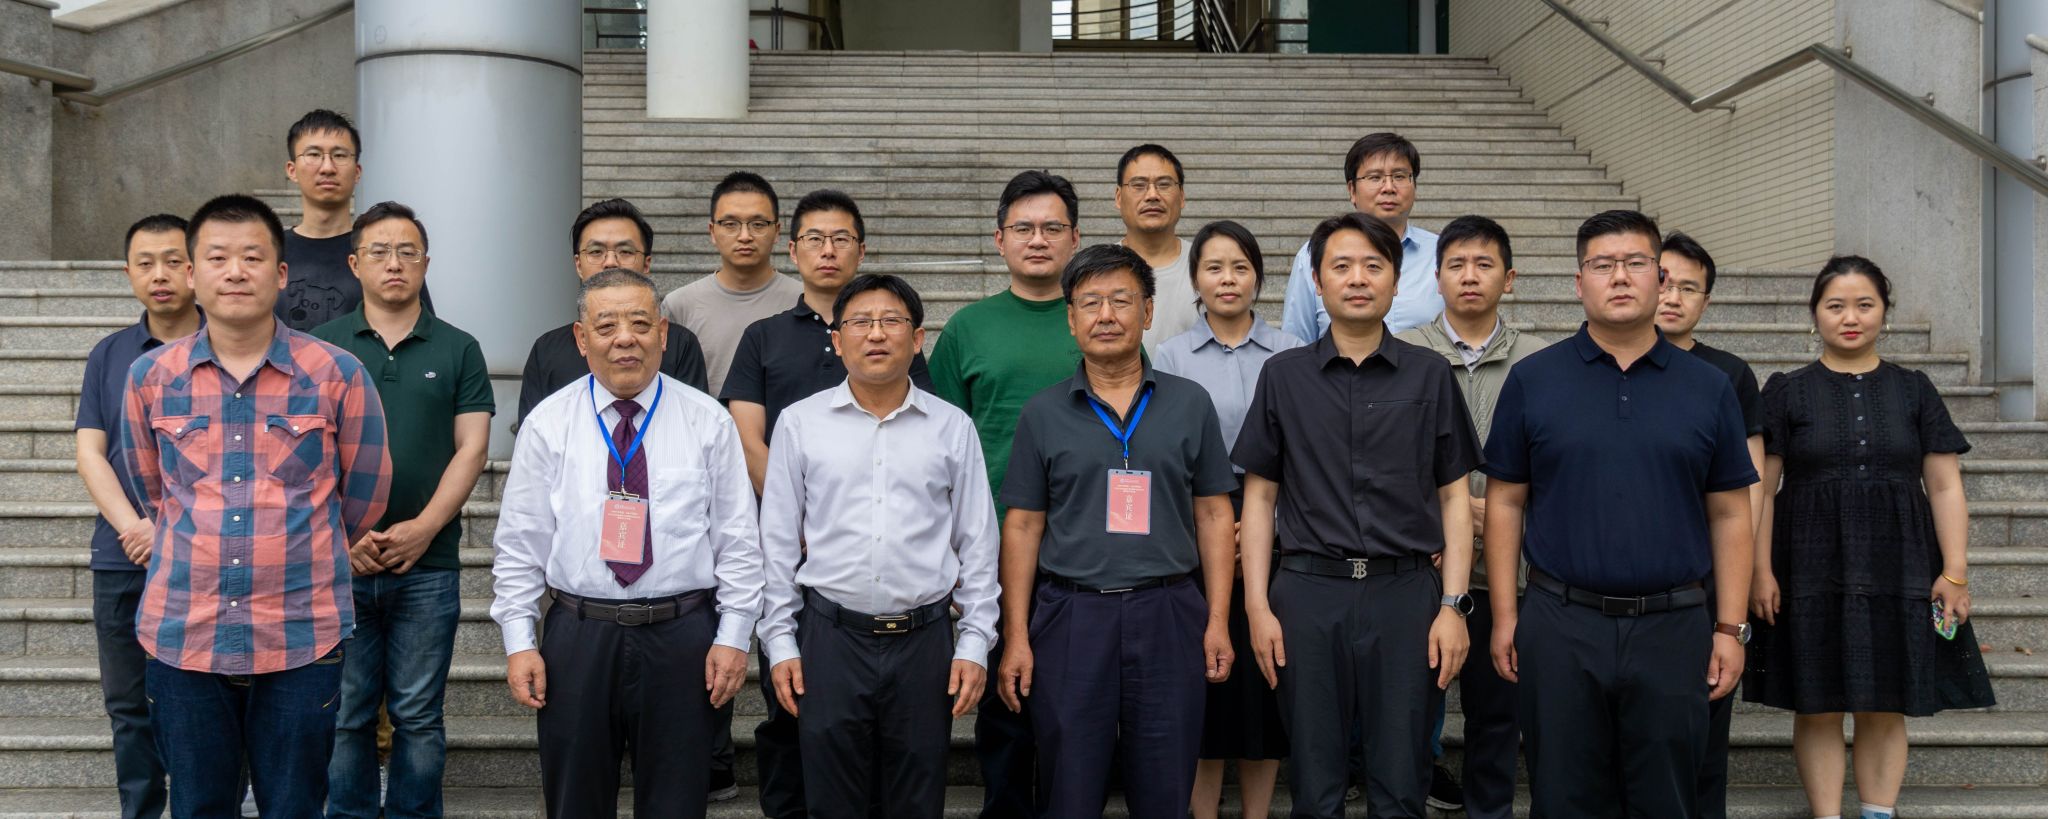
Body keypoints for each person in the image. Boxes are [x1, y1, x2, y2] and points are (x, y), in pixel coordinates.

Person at [121, 194, 392, 817]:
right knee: (198, 806)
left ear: (282, 273)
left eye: (252, 256)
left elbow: (366, 492)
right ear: (193, 275)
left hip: (300, 630)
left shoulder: (338, 373)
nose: (236, 272)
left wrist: (303, 546)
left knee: (295, 806)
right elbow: (154, 491)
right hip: (184, 632)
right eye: (217, 258)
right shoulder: (151, 378)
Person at [1481, 210, 1756, 818]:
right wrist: (1506, 616)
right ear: (1579, 283)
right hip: (1560, 623)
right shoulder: (1533, 379)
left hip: (1673, 627)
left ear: (1661, 278)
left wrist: (1730, 628)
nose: (1621, 277)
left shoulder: (1709, 387)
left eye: (1635, 263)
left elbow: (1731, 514)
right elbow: (1505, 500)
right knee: (1561, 798)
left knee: (1669, 800)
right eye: (1603, 265)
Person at [1233, 212, 1480, 819]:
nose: (1358, 279)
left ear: (1396, 280)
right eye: (1341, 266)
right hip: (1308, 595)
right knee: (1316, 780)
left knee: (1401, 780)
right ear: (1317, 282)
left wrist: (1453, 606)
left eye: (1374, 265)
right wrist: (1258, 606)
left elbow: (1455, 498)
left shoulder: (1430, 374)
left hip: (1406, 595)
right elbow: (1259, 498)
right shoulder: (1283, 376)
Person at [491, 268, 763, 817]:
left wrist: (734, 636)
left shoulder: (707, 420)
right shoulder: (548, 423)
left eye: (640, 323)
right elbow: (520, 544)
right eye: (606, 325)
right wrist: (520, 641)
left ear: (662, 333)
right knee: (575, 801)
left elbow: (738, 541)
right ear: (581, 338)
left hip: (682, 636)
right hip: (579, 635)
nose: (624, 338)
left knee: (677, 803)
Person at [1745, 256, 1995, 819]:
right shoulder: (1785, 391)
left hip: (1899, 562)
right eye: (1835, 306)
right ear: (1815, 313)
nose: (1850, 317)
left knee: (1887, 702)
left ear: (1884, 311)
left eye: (1865, 305)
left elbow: (1944, 485)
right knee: (1816, 703)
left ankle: (1878, 813)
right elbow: (1762, 490)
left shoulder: (1914, 389)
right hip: (1807, 565)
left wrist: (1955, 571)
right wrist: (1759, 571)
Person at [995, 244, 1238, 819]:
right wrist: (1017, 635)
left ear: (1148, 312)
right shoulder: (1043, 413)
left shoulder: (1189, 403)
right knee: (1069, 787)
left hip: (1169, 611)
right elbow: (1023, 526)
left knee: (1166, 785)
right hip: (1072, 616)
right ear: (1071, 319)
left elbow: (1214, 514)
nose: (1106, 315)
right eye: (1090, 303)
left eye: (1121, 301)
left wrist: (1217, 619)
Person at [756, 274, 999, 819]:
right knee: (832, 801)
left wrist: (974, 642)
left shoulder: (952, 427)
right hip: (830, 639)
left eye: (892, 321)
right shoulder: (800, 423)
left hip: (924, 642)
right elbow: (776, 544)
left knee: (917, 799)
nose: (876, 334)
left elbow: (978, 544)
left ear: (917, 339)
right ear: (837, 340)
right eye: (860, 322)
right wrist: (780, 641)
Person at [722, 189, 928, 818]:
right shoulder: (763, 336)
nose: (828, 250)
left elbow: (921, 431)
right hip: (796, 553)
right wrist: (806, 517)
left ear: (861, 250)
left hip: (878, 565)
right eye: (815, 238)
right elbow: (747, 437)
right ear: (793, 249)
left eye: (842, 238)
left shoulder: (891, 332)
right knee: (791, 706)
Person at [311, 202, 494, 819]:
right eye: (380, 252)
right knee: (347, 714)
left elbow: (472, 448)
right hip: (340, 564)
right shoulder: (322, 347)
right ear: (354, 264)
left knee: (418, 715)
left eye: (408, 252)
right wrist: (346, 538)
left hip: (429, 565)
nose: (395, 263)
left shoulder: (459, 347)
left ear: (426, 263)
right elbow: (305, 456)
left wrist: (424, 528)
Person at [929, 169, 1084, 819]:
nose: (1038, 239)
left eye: (1052, 227)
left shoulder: (1099, 318)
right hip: (991, 544)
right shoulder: (968, 328)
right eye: (1023, 228)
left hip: (1085, 547)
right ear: (999, 239)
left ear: (1075, 238)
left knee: (1077, 704)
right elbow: (935, 446)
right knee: (1005, 703)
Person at [1393, 214, 1547, 819]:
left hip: (1512, 575)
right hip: (1422, 569)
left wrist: (1503, 517)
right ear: (1436, 278)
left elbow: (1554, 467)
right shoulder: (1403, 354)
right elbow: (1385, 464)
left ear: (1509, 279)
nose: (1470, 276)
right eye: (1456, 264)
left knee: (1498, 716)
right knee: (1408, 715)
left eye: (1484, 264)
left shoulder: (1540, 362)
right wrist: (1448, 517)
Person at [1152, 220, 1300, 819]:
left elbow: (1304, 452)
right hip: (1193, 525)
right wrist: (1214, 529)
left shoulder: (1292, 351)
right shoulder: (1170, 356)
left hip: (1282, 523)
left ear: (1258, 277)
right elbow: (1165, 450)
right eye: (1214, 267)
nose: (1228, 279)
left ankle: (1257, 813)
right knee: (1205, 683)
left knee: (1265, 682)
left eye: (1240, 267)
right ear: (1195, 281)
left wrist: (1263, 525)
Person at [75, 213, 198, 819]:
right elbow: (90, 451)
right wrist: (133, 527)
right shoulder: (110, 354)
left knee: (206, 705)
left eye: (173, 261)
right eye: (145, 264)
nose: (160, 275)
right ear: (128, 273)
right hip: (123, 556)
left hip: (206, 554)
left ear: (195, 269)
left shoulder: (228, 346)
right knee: (128, 706)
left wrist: (170, 527)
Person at [1654, 230, 1764, 819]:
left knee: (1702, 730)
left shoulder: (1727, 375)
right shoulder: (1599, 363)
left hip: (1707, 576)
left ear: (1706, 301)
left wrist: (1741, 590)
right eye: (1663, 281)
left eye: (1688, 288)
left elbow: (1749, 490)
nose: (1672, 297)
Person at [515, 198, 709, 428]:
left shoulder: (680, 344)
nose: (610, 262)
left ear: (646, 264)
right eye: (596, 251)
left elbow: (695, 421)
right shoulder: (547, 350)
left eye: (625, 251)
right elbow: (534, 432)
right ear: (578, 264)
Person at [273, 109, 433, 332]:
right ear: (292, 170)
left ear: (357, 171)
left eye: (339, 155)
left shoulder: (385, 252)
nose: (327, 168)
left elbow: (424, 334)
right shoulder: (269, 251)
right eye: (313, 154)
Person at [1279, 132, 1442, 343]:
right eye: (1375, 177)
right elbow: (1296, 343)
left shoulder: (1442, 254)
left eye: (1400, 176)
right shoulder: (1314, 254)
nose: (1389, 188)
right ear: (1352, 190)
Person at [661, 171, 804, 397]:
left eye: (758, 224)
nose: (745, 236)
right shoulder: (679, 305)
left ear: (777, 231)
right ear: (712, 231)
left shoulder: (803, 301)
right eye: (730, 224)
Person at [1113, 143, 1200, 354]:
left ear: (1182, 196)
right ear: (1118, 197)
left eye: (1164, 184)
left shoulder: (1206, 265)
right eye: (1139, 185)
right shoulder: (1097, 270)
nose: (1152, 195)